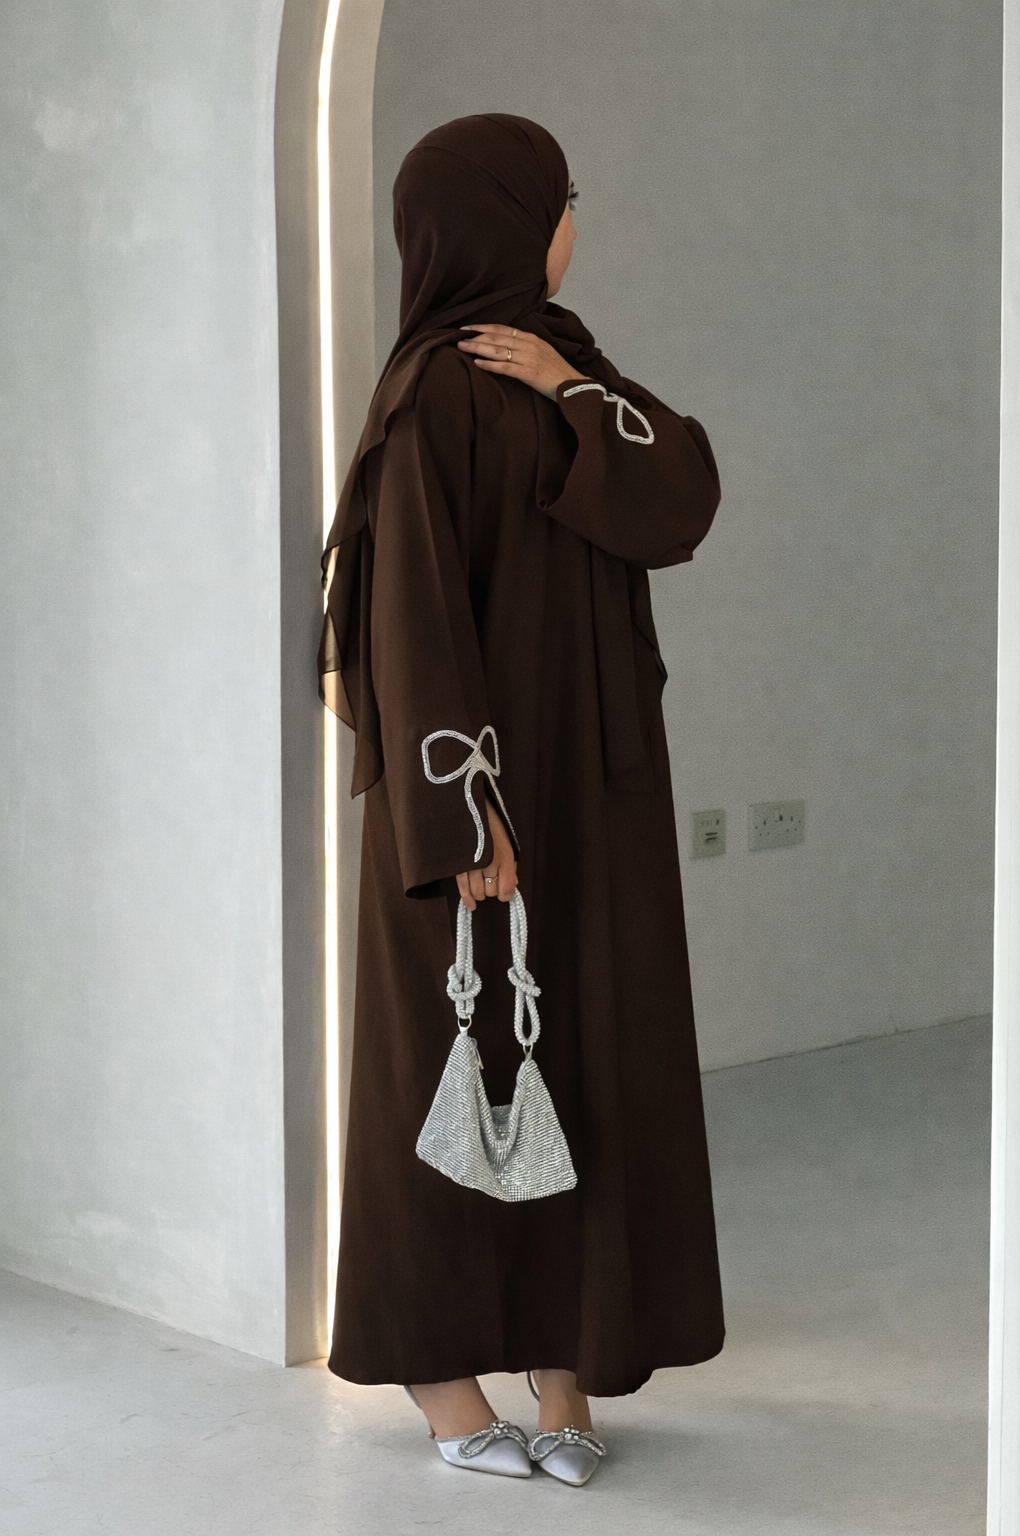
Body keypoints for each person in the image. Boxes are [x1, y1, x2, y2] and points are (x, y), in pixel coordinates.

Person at [318, 113, 725, 1488]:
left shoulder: (562, 362)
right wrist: (464, 810)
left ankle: (564, 1367)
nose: (572, 227)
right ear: (502, 217)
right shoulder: (431, 394)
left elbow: (677, 498)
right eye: (559, 202)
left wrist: (569, 386)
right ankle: (442, 1384)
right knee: (446, 1070)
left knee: (583, 1063)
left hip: (591, 797)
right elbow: (407, 618)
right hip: (478, 807)